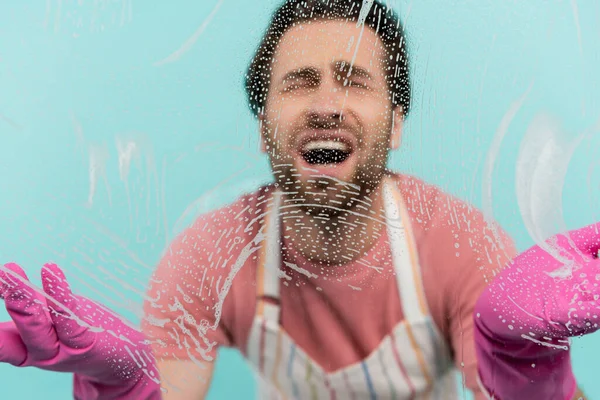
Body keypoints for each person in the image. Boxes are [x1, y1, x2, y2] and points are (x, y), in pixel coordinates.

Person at [0, 1, 595, 399]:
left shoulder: (460, 245)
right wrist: (127, 389)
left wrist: (524, 367)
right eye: (299, 82)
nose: (327, 105)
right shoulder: (212, 252)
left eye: (355, 79)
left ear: (395, 127)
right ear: (264, 127)